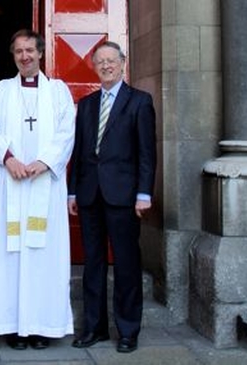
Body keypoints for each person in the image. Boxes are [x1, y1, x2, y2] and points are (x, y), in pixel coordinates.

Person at [0, 29, 76, 350]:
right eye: (19, 51)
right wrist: (8, 159)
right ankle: (10, 325)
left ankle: (41, 327)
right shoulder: (2, 90)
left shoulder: (58, 92)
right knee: (9, 256)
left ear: (40, 53)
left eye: (30, 51)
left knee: (43, 257)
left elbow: (66, 133)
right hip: (10, 186)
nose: (24, 56)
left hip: (45, 185)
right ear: (14, 56)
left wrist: (44, 162)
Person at [67, 41, 156, 354]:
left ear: (122, 63)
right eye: (100, 61)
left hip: (124, 196)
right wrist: (73, 190)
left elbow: (147, 153)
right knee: (92, 264)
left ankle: (128, 330)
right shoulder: (88, 104)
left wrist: (144, 193)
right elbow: (79, 152)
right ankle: (94, 328)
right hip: (90, 195)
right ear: (94, 66)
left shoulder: (140, 102)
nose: (105, 66)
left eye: (111, 60)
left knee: (126, 264)